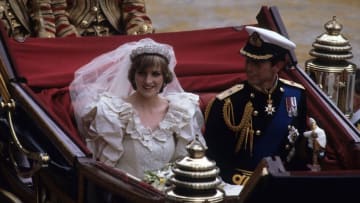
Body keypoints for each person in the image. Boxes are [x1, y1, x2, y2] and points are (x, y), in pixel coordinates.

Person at [69, 38, 206, 181]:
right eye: (142, 73)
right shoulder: (112, 112)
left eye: (155, 74)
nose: (147, 81)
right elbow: (104, 170)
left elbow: (186, 163)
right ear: (133, 75)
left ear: (165, 76)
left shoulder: (180, 111)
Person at [204, 26, 307, 185]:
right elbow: (216, 160)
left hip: (283, 183)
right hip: (239, 187)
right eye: (248, 61)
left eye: (257, 64)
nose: (249, 69)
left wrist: (313, 144)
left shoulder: (296, 95)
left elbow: (297, 150)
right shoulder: (227, 104)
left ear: (277, 66)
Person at [0, 0, 153, 38]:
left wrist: (139, 34)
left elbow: (134, 9)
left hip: (114, 39)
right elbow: (56, 13)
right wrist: (71, 40)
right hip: (78, 37)